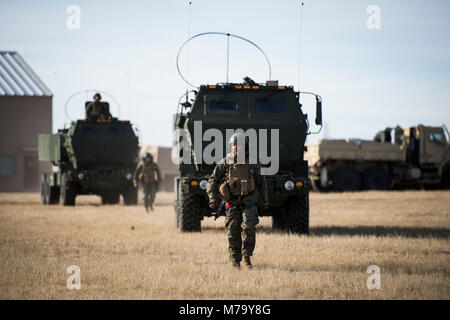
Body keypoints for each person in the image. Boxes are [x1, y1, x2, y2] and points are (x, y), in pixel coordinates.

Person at [207, 133, 269, 269]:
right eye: (233, 145)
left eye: (238, 145)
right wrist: (213, 197)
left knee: (248, 229)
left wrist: (264, 201)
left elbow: (261, 183)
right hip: (233, 202)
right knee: (233, 230)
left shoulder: (253, 162)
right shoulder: (225, 162)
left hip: (249, 201)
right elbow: (213, 180)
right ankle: (235, 260)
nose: (235, 147)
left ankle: (246, 258)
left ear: (245, 146)